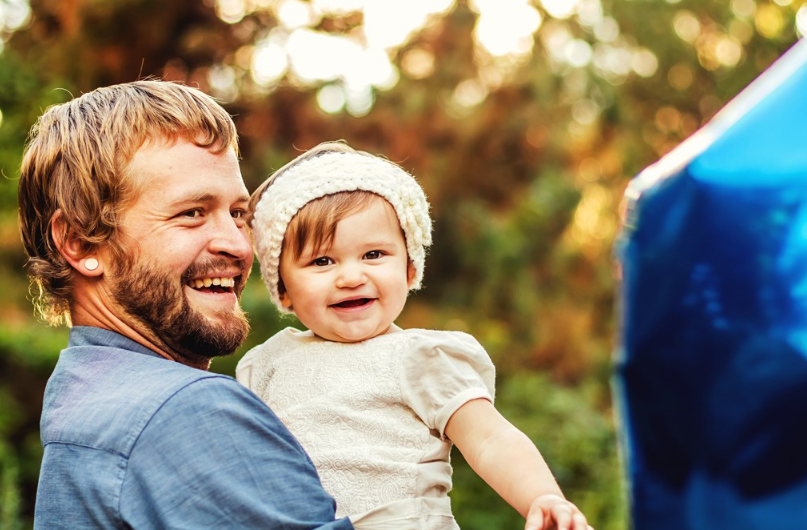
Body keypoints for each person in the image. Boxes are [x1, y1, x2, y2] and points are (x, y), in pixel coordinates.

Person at [18, 80, 354, 529]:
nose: (237, 244)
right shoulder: (191, 412)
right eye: (192, 212)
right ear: (79, 242)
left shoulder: (79, 402)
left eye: (238, 213)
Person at [237, 141, 594, 530]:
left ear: (409, 269)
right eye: (322, 261)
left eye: (374, 254)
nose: (352, 277)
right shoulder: (266, 364)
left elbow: (490, 439)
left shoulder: (420, 357)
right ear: (283, 287)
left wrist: (541, 497)